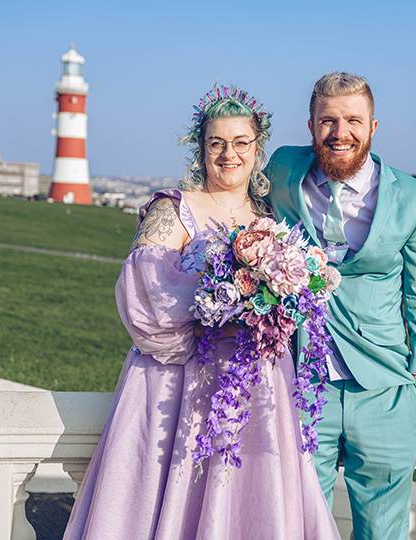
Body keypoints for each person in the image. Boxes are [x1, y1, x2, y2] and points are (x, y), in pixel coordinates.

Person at [63, 87, 340, 540]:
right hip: (180, 386)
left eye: (240, 143)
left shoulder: (271, 217)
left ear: (257, 149)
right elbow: (143, 290)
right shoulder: (173, 208)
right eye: (216, 143)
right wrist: (223, 298)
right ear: (201, 150)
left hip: (258, 386)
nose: (229, 154)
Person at [265, 72, 416, 539]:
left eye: (352, 120)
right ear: (310, 126)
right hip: (303, 387)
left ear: (373, 126)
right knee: (303, 526)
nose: (340, 132)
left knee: (383, 532)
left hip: (384, 390)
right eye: (328, 120)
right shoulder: (283, 169)